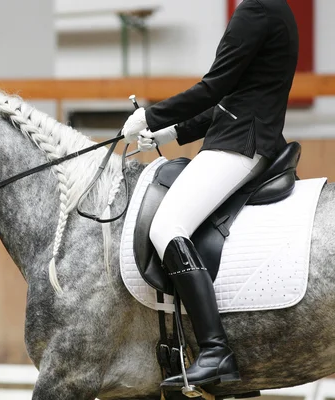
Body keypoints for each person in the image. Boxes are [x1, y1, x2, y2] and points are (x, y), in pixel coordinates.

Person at [121, 0, 299, 390]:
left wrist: (152, 115)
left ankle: (215, 349)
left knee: (167, 225)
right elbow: (232, 96)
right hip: (244, 133)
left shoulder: (256, 9)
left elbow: (214, 85)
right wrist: (172, 133)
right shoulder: (273, 8)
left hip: (241, 143)